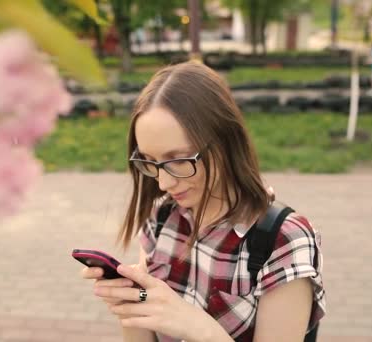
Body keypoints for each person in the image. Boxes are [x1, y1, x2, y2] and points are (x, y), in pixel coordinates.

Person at [81, 62, 326, 342]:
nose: (163, 183)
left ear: (225, 142)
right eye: (149, 162)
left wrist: (198, 327)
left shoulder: (282, 239)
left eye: (179, 160)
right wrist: (132, 305)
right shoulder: (162, 218)